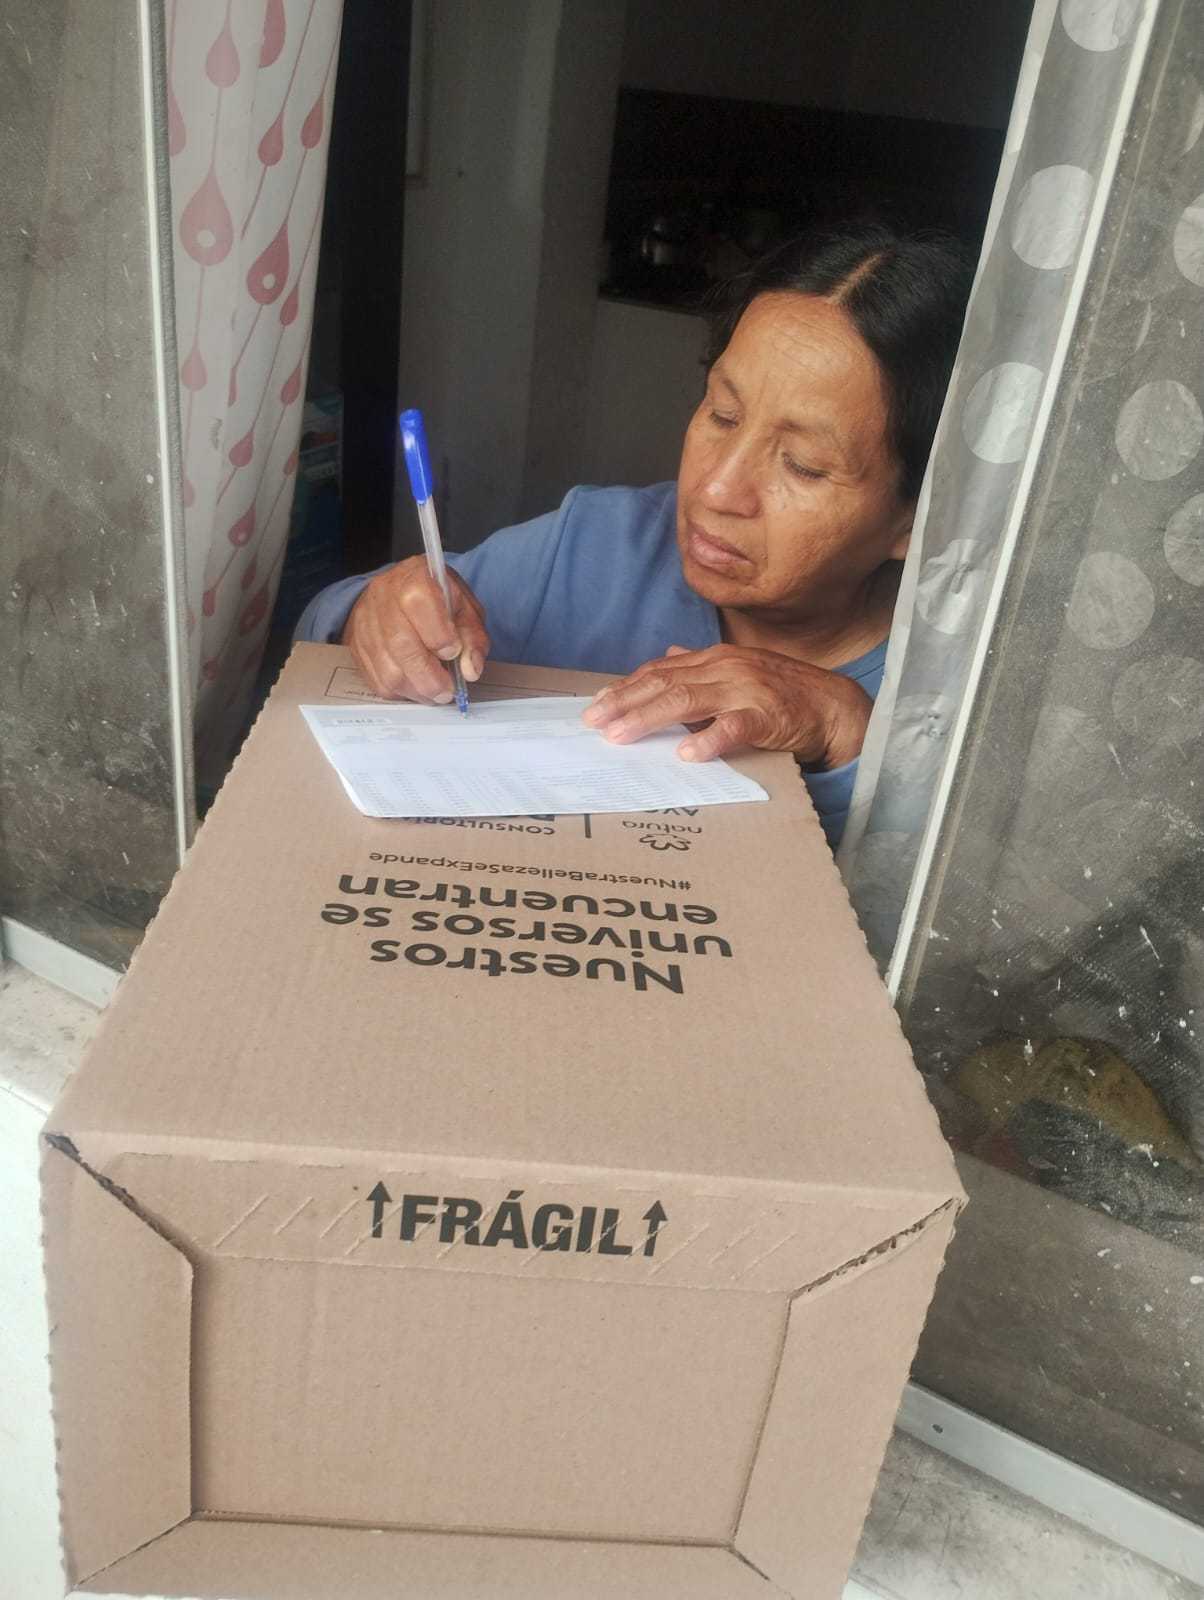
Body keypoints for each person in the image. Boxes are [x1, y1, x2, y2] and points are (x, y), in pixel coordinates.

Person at [297, 223, 971, 847]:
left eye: (803, 465)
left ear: (916, 517)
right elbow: (323, 623)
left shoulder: (968, 682)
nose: (716, 490)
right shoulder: (598, 545)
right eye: (722, 413)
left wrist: (849, 731)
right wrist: (374, 613)